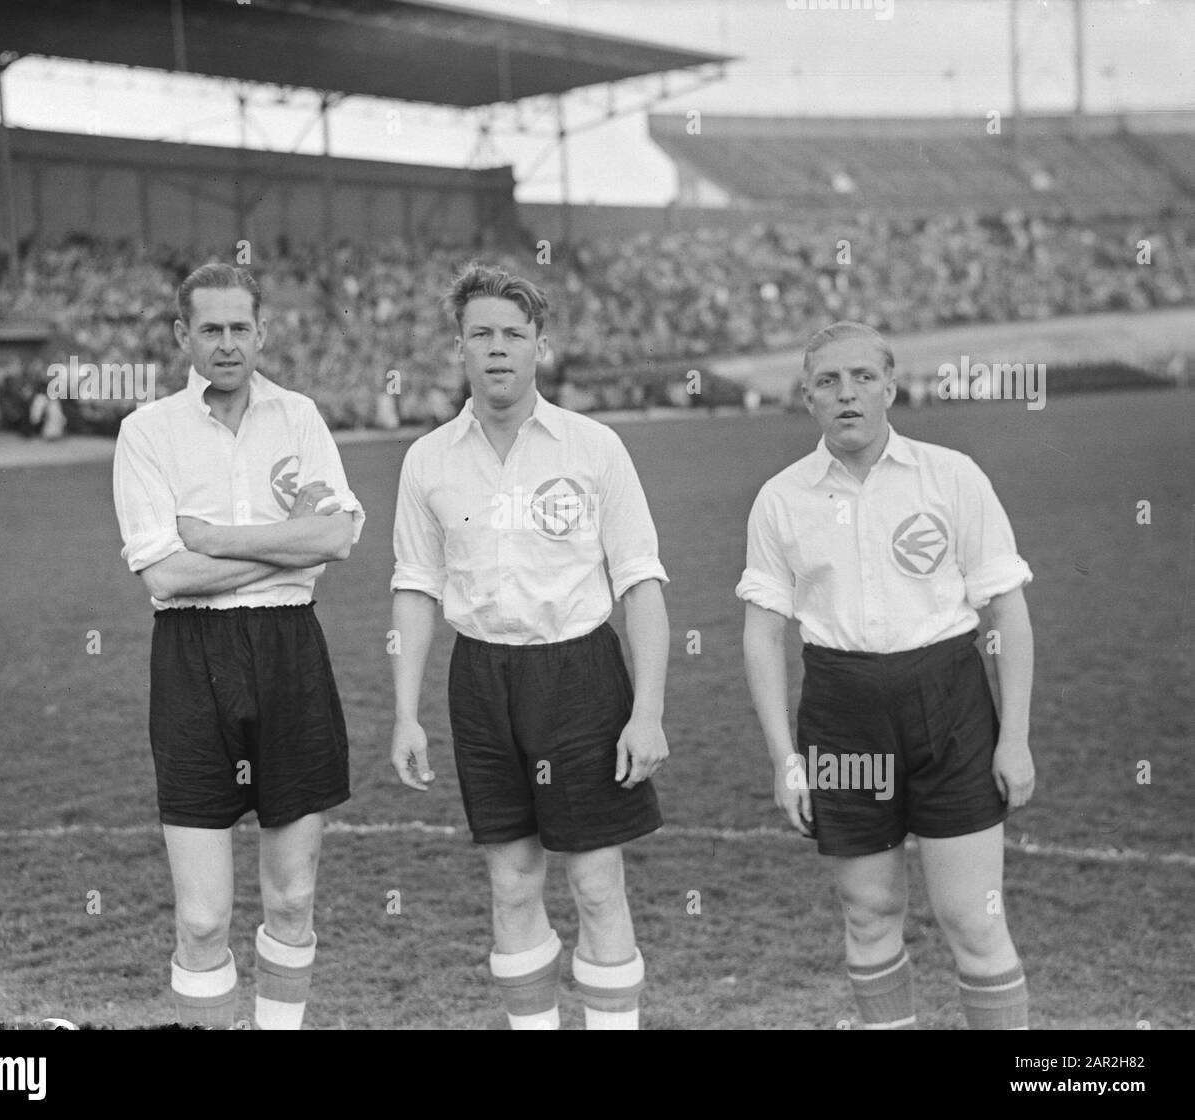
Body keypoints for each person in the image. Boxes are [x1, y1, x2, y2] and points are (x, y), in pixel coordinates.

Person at [389, 263, 670, 1030]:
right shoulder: (429, 460)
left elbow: (641, 583)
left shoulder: (594, 447)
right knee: (512, 886)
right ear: (460, 350)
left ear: (540, 346)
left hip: (579, 673)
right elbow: (414, 585)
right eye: (482, 334)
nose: (498, 349)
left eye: (514, 334)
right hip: (479, 677)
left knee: (595, 885)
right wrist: (406, 714)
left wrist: (647, 713)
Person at [738, 320, 1035, 1030]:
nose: (847, 395)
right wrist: (786, 762)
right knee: (869, 913)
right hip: (843, 724)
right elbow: (761, 634)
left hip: (952, 713)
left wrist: (1015, 738)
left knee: (972, 918)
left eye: (862, 378)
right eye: (828, 382)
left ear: (891, 388)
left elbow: (1009, 613)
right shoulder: (781, 499)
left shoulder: (953, 476)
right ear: (806, 396)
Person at [112, 263, 364, 1029]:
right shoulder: (147, 431)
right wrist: (292, 548)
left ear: (263, 332)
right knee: (202, 919)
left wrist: (220, 538)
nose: (228, 344)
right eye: (211, 329)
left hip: (291, 651)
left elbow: (340, 535)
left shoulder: (299, 418)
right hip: (192, 661)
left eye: (241, 328)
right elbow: (167, 577)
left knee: (292, 898)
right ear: (184, 335)